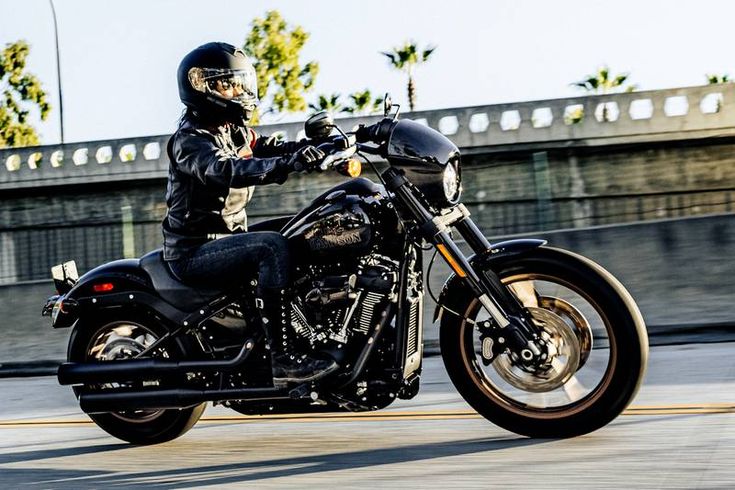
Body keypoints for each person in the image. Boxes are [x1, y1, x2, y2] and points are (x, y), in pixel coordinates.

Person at [163, 42, 336, 383]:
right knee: (271, 246)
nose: (239, 91)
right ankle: (283, 358)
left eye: (242, 82)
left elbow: (275, 146)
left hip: (229, 238)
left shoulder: (234, 131)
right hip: (194, 250)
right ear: (201, 86)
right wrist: (288, 164)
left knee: (306, 228)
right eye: (229, 84)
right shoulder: (190, 140)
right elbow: (224, 169)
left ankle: (316, 330)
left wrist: (327, 145)